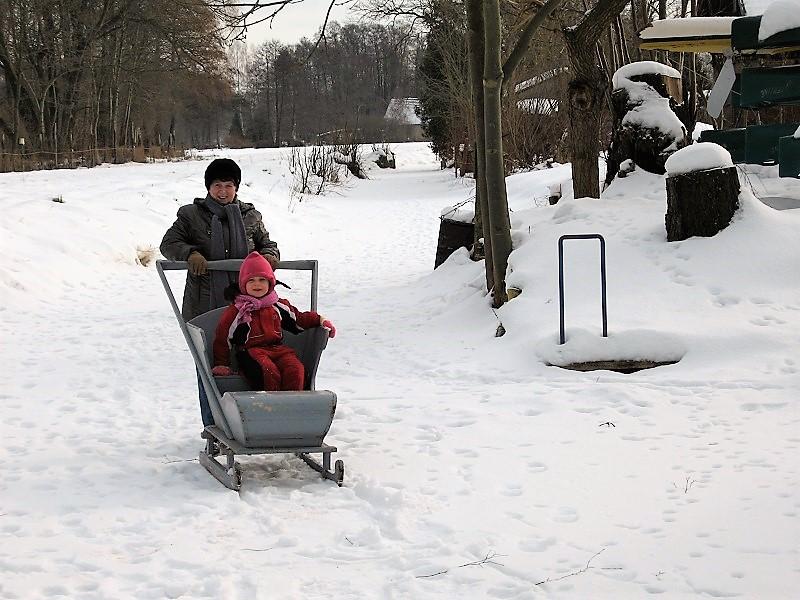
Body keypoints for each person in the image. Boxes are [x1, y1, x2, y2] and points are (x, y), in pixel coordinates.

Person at [160, 158, 280, 425]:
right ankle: (213, 426)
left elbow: (267, 243)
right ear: (208, 187)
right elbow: (169, 243)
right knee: (208, 364)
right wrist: (189, 253)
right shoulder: (191, 215)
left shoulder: (251, 216)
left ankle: (248, 423)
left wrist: (269, 256)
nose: (223, 191)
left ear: (236, 187)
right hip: (204, 304)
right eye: (217, 185)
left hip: (248, 305)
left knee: (248, 359)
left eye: (228, 185)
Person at [211, 252, 336, 391]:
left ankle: (293, 404)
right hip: (251, 352)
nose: (257, 284)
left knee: (295, 370)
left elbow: (298, 319)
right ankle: (270, 406)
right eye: (251, 280)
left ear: (270, 283)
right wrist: (222, 364)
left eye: (262, 280)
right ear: (243, 284)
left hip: (278, 349)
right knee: (268, 372)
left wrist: (320, 320)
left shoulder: (277, 305)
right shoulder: (238, 310)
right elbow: (223, 337)